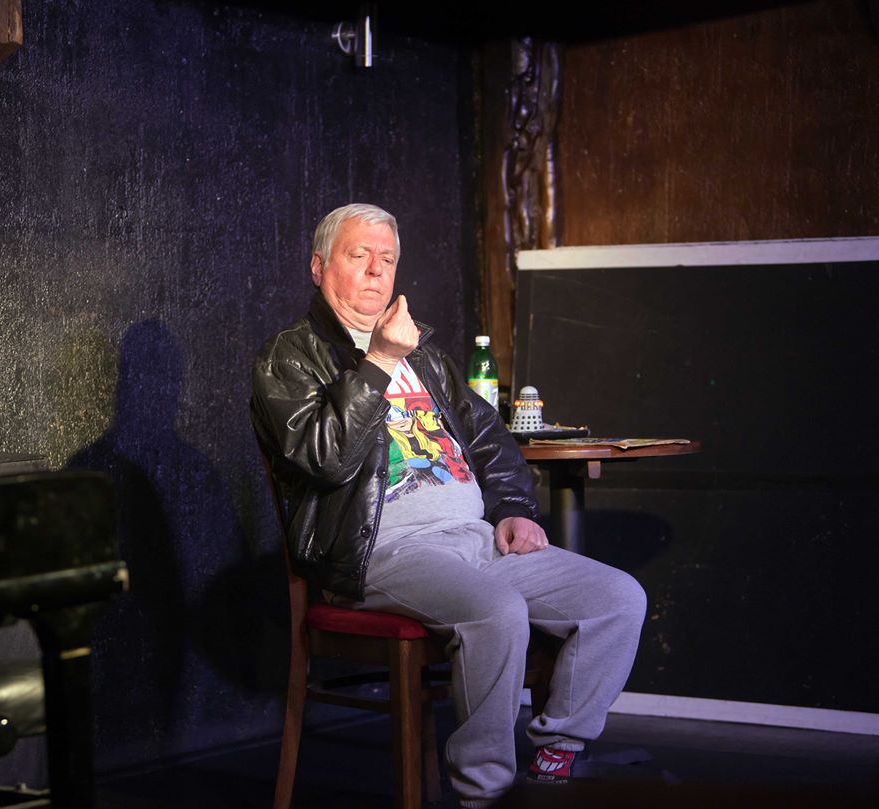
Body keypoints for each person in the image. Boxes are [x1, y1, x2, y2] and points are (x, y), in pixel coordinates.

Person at [251, 203, 646, 808]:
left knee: (617, 599)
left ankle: (557, 753)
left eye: (387, 259)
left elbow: (489, 437)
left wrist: (513, 509)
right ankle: (486, 792)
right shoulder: (290, 356)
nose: (376, 271)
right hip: (379, 551)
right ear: (318, 266)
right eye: (359, 256)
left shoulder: (426, 356)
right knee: (498, 612)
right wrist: (380, 361)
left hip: (474, 540)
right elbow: (323, 458)